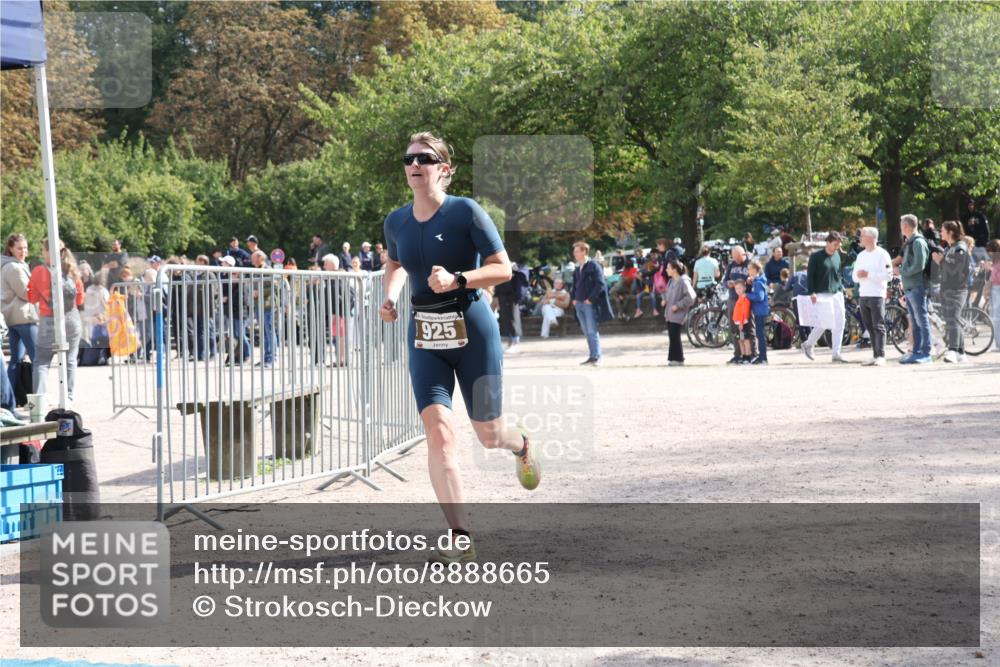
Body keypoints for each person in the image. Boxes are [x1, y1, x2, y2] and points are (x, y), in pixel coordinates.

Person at [379, 131, 541, 564]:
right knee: (440, 434)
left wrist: (458, 279)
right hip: (425, 337)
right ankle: (459, 532)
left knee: (489, 436)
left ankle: (519, 444)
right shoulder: (396, 221)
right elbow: (394, 262)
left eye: (425, 158)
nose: (415, 165)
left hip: (473, 330)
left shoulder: (466, 212)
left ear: (444, 169)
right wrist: (391, 296)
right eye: (409, 158)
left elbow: (503, 268)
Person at [27, 239, 85, 401]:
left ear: (47, 252)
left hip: (49, 319)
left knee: (42, 362)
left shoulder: (39, 271)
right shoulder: (73, 271)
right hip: (72, 318)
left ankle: (40, 400)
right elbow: (80, 300)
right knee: (70, 359)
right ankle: (68, 397)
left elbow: (32, 298)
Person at [1, 234, 38, 403]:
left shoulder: (9, 266)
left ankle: (10, 399)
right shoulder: (14, 268)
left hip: (13, 317)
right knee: (38, 359)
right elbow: (26, 293)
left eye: (25, 247)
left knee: (15, 361)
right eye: (19, 248)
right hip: (24, 317)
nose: (23, 251)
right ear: (10, 249)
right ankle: (38, 396)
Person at [801, 232, 848, 363]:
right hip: (822, 292)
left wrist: (841, 288)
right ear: (827, 242)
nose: (836, 247)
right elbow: (810, 276)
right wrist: (812, 292)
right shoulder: (816, 257)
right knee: (825, 322)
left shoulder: (837, 255)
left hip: (837, 292)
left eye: (838, 245)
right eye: (834, 244)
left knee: (840, 322)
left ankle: (836, 353)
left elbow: (838, 273)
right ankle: (808, 343)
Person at [851, 226, 892, 366]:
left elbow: (888, 275)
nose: (860, 238)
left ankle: (881, 355)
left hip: (877, 295)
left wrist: (869, 275)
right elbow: (854, 276)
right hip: (864, 295)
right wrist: (859, 275)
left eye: (862, 235)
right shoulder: (861, 255)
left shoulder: (882, 254)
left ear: (870, 238)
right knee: (868, 326)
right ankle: (875, 355)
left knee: (878, 325)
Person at [932, 221, 971, 363]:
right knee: (952, 320)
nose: (940, 232)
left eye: (942, 230)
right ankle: (961, 352)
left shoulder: (960, 247)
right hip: (948, 289)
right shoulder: (950, 248)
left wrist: (941, 261)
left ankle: (953, 350)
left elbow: (957, 269)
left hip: (957, 290)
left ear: (950, 232)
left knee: (953, 319)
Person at [896, 214, 932, 364]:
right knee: (915, 321)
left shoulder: (918, 242)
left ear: (906, 226)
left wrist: (901, 272)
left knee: (921, 320)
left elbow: (919, 265)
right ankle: (916, 351)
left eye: (901, 225)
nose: (900, 228)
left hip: (917, 286)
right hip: (911, 287)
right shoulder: (910, 242)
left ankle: (925, 352)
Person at [572, 241, 614, 366]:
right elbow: (574, 286)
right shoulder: (577, 268)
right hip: (579, 304)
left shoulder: (593, 266)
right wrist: (574, 298)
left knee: (592, 330)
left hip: (589, 304)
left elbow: (600, 284)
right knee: (586, 331)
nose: (575, 254)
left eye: (577, 251)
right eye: (574, 251)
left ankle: (597, 357)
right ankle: (592, 356)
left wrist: (590, 299)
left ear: (584, 251)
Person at [722, 246, 754, 364]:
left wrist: (751, 280)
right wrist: (728, 283)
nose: (735, 259)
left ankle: (751, 354)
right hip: (733, 299)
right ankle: (737, 354)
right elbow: (724, 280)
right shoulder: (731, 265)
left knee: (748, 328)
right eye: (733, 257)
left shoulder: (749, 264)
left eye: (737, 257)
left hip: (746, 300)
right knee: (734, 328)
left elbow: (756, 277)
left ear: (743, 255)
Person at [662, 259, 695, 366]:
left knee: (675, 336)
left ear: (674, 269)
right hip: (670, 313)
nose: (666, 270)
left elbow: (691, 297)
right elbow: (666, 293)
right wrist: (664, 299)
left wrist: (678, 305)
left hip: (678, 314)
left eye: (668, 268)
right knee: (672, 336)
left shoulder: (683, 281)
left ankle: (679, 359)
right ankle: (673, 358)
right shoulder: (671, 281)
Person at [745, 260, 770, 365]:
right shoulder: (757, 281)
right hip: (760, 311)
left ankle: (763, 358)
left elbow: (759, 297)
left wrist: (747, 295)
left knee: (760, 334)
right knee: (759, 334)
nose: (748, 271)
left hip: (761, 312)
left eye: (749, 269)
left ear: (755, 270)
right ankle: (761, 356)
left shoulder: (759, 283)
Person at [732, 280, 753, 364]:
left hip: (743, 323)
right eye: (736, 289)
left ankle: (748, 356)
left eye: (740, 288)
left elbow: (744, 312)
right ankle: (743, 355)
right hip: (738, 323)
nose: (738, 290)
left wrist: (741, 323)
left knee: (746, 340)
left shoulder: (744, 298)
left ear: (744, 288)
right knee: (741, 340)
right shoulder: (740, 297)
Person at [988, 239, 1000, 353]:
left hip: (997, 288)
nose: (989, 253)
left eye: (990, 250)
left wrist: (991, 269)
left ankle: (999, 345)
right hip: (996, 289)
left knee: (997, 318)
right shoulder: (996, 261)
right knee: (996, 318)